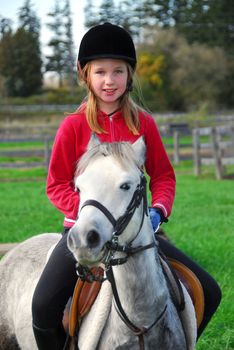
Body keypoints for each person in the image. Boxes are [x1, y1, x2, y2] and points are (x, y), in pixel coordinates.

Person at [31, 23, 221, 349]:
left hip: (138, 235)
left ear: (130, 74)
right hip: (85, 233)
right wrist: (93, 217)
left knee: (209, 291)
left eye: (118, 71)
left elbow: (163, 177)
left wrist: (159, 211)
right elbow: (56, 184)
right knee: (43, 307)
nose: (109, 80)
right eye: (100, 71)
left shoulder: (143, 123)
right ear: (84, 74)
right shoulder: (73, 126)